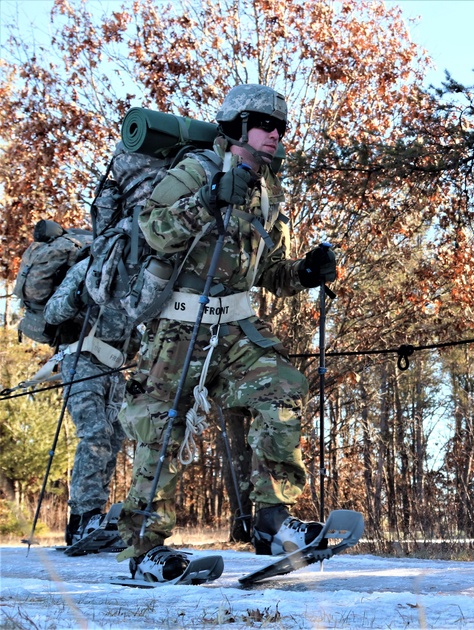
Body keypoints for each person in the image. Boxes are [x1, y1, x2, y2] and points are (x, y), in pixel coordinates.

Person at [115, 84, 337, 581]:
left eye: (281, 127)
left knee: (281, 389)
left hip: (236, 324)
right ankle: (145, 551)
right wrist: (209, 199)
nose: (275, 135)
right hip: (179, 326)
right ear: (237, 127)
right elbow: (153, 228)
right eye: (264, 125)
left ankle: (273, 522)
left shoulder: (269, 190)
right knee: (160, 428)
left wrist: (304, 273)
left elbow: (267, 271)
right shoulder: (195, 170)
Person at [44, 250, 138, 548]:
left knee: (114, 438)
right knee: (96, 433)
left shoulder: (144, 275)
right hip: (81, 358)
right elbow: (52, 312)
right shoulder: (89, 268)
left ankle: (95, 521)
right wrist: (79, 294)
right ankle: (84, 517)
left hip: (116, 365)